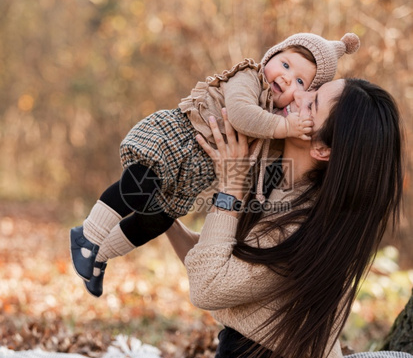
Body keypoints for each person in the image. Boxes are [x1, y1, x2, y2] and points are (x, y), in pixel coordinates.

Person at [72, 77, 404, 358]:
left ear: (322, 147)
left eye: (312, 104)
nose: (298, 95)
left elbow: (208, 287)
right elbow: (217, 266)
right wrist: (166, 214)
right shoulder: (281, 187)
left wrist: (231, 189)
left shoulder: (302, 227)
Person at [70, 32, 360, 297]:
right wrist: (285, 127)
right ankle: (88, 234)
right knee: (140, 185)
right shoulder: (249, 77)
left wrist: (246, 189)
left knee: (157, 220)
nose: (287, 79)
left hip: (195, 171)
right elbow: (240, 114)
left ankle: (99, 254)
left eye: (300, 82)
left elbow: (256, 163)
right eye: (285, 65)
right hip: (178, 139)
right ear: (271, 55)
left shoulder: (275, 124)